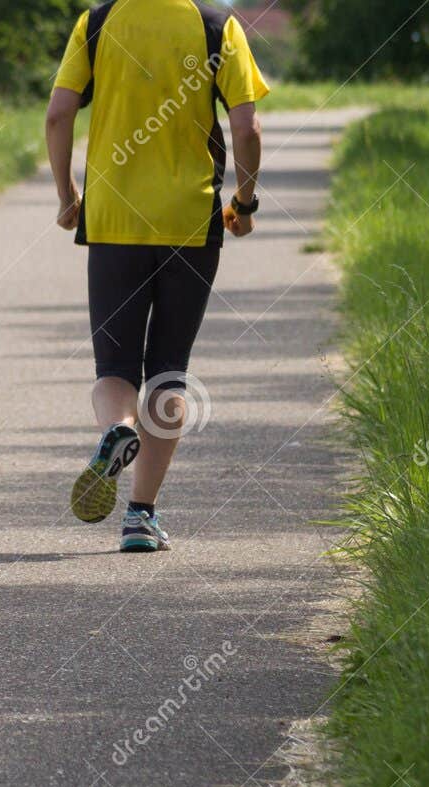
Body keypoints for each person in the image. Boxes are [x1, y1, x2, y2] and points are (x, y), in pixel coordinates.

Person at [46, 0, 268, 552]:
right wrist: (244, 200)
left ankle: (115, 431)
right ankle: (140, 517)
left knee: (114, 367)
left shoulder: (97, 22)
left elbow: (57, 114)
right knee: (169, 370)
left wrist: (67, 195)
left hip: (115, 219)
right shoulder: (218, 25)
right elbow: (247, 125)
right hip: (189, 222)